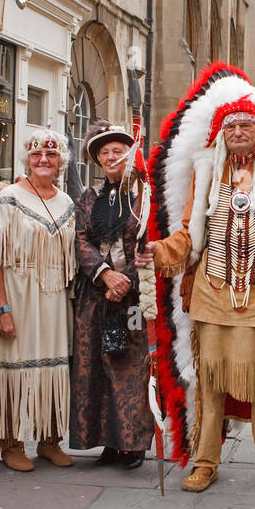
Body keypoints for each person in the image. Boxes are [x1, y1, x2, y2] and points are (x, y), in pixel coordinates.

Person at [147, 68, 255, 494]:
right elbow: (188, 233)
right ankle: (205, 461)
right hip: (212, 292)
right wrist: (160, 251)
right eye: (230, 125)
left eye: (246, 125)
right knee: (210, 380)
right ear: (220, 133)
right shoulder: (207, 171)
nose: (238, 131)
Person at [0, 129, 77, 471]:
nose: (43, 160)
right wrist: (2, 308)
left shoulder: (66, 201)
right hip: (19, 296)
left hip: (54, 298)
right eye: (37, 154)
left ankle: (49, 439)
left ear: (60, 162)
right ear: (26, 158)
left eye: (51, 155)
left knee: (54, 367)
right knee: (13, 367)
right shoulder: (8, 198)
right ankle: (10, 443)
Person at [70, 122, 151, 470]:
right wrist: (104, 274)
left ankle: (132, 444)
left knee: (131, 368)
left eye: (117, 150)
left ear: (130, 154)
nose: (111, 156)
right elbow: (80, 238)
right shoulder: (88, 198)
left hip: (133, 300)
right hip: (96, 295)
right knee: (97, 367)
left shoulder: (147, 196)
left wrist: (127, 280)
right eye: (104, 153)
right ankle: (105, 441)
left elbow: (149, 244)